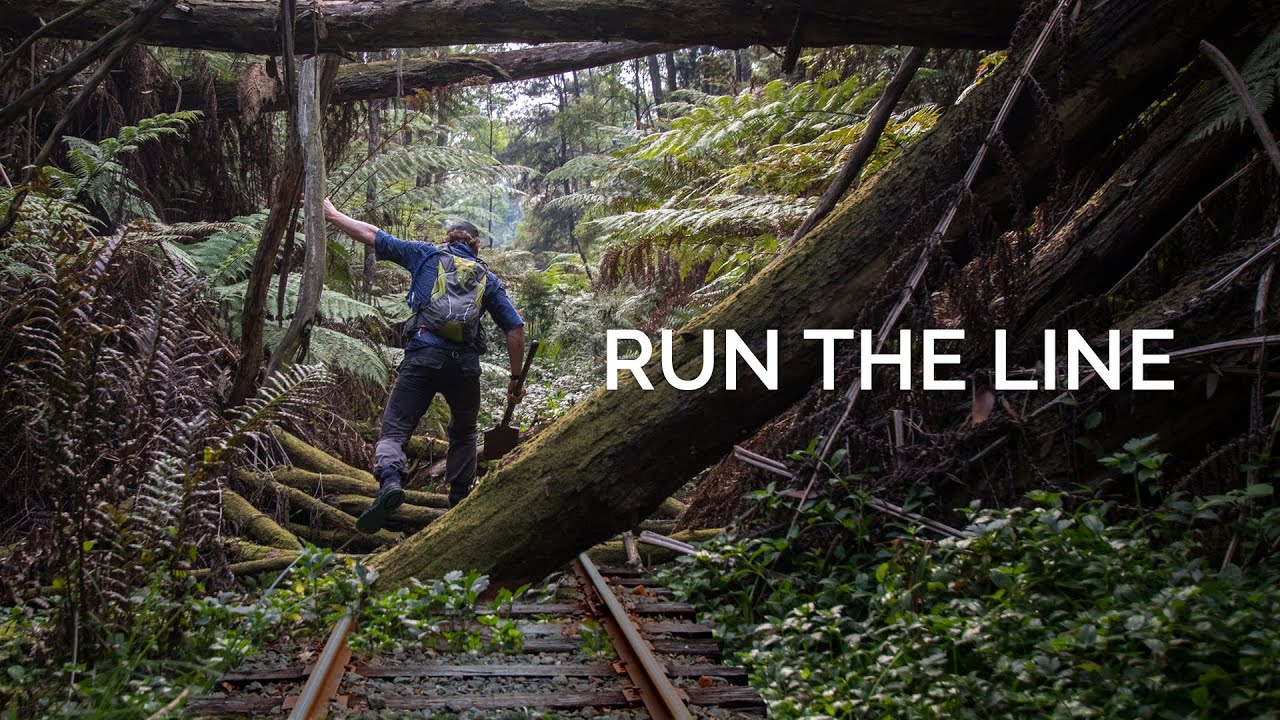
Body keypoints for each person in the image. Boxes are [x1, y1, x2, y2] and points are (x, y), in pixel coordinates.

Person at [320, 198, 527, 532]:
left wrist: (333, 215)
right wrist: (515, 378)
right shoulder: (486, 278)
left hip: (423, 357)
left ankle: (390, 481)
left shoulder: (426, 254)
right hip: (465, 368)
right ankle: (459, 500)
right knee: (463, 433)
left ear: (449, 239)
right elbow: (515, 329)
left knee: (396, 428)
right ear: (476, 246)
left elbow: (373, 235)